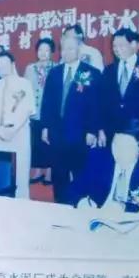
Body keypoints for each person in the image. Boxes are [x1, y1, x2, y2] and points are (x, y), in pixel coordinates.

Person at [40, 34, 103, 205]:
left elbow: (95, 105)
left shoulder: (90, 73)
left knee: (80, 172)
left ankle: (80, 206)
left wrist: (92, 130)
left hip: (80, 133)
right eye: (63, 49)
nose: (66, 53)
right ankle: (60, 205)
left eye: (70, 49)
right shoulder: (55, 72)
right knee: (59, 173)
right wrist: (45, 127)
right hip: (56, 132)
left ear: (79, 50)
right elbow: (47, 102)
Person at [73, 132, 139, 215]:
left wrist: (123, 208)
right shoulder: (98, 159)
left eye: (127, 148)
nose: (119, 153)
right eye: (116, 145)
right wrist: (82, 203)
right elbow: (72, 190)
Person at [101, 28, 139, 150]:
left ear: (133, 44)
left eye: (121, 45)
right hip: (114, 132)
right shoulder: (109, 70)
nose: (117, 49)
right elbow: (102, 103)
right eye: (114, 46)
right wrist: (101, 129)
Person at [0, 51, 34, 199]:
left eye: (5, 65)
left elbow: (27, 111)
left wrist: (13, 130)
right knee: (2, 174)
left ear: (13, 64)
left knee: (21, 174)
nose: (2, 70)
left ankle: (22, 206)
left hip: (20, 133)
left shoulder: (25, 84)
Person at [23, 37, 57, 184]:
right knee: (36, 142)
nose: (43, 53)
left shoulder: (57, 68)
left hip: (51, 112)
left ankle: (49, 172)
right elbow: (24, 90)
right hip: (34, 111)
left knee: (49, 142)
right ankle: (37, 171)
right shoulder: (30, 68)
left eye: (47, 50)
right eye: (40, 49)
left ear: (52, 52)